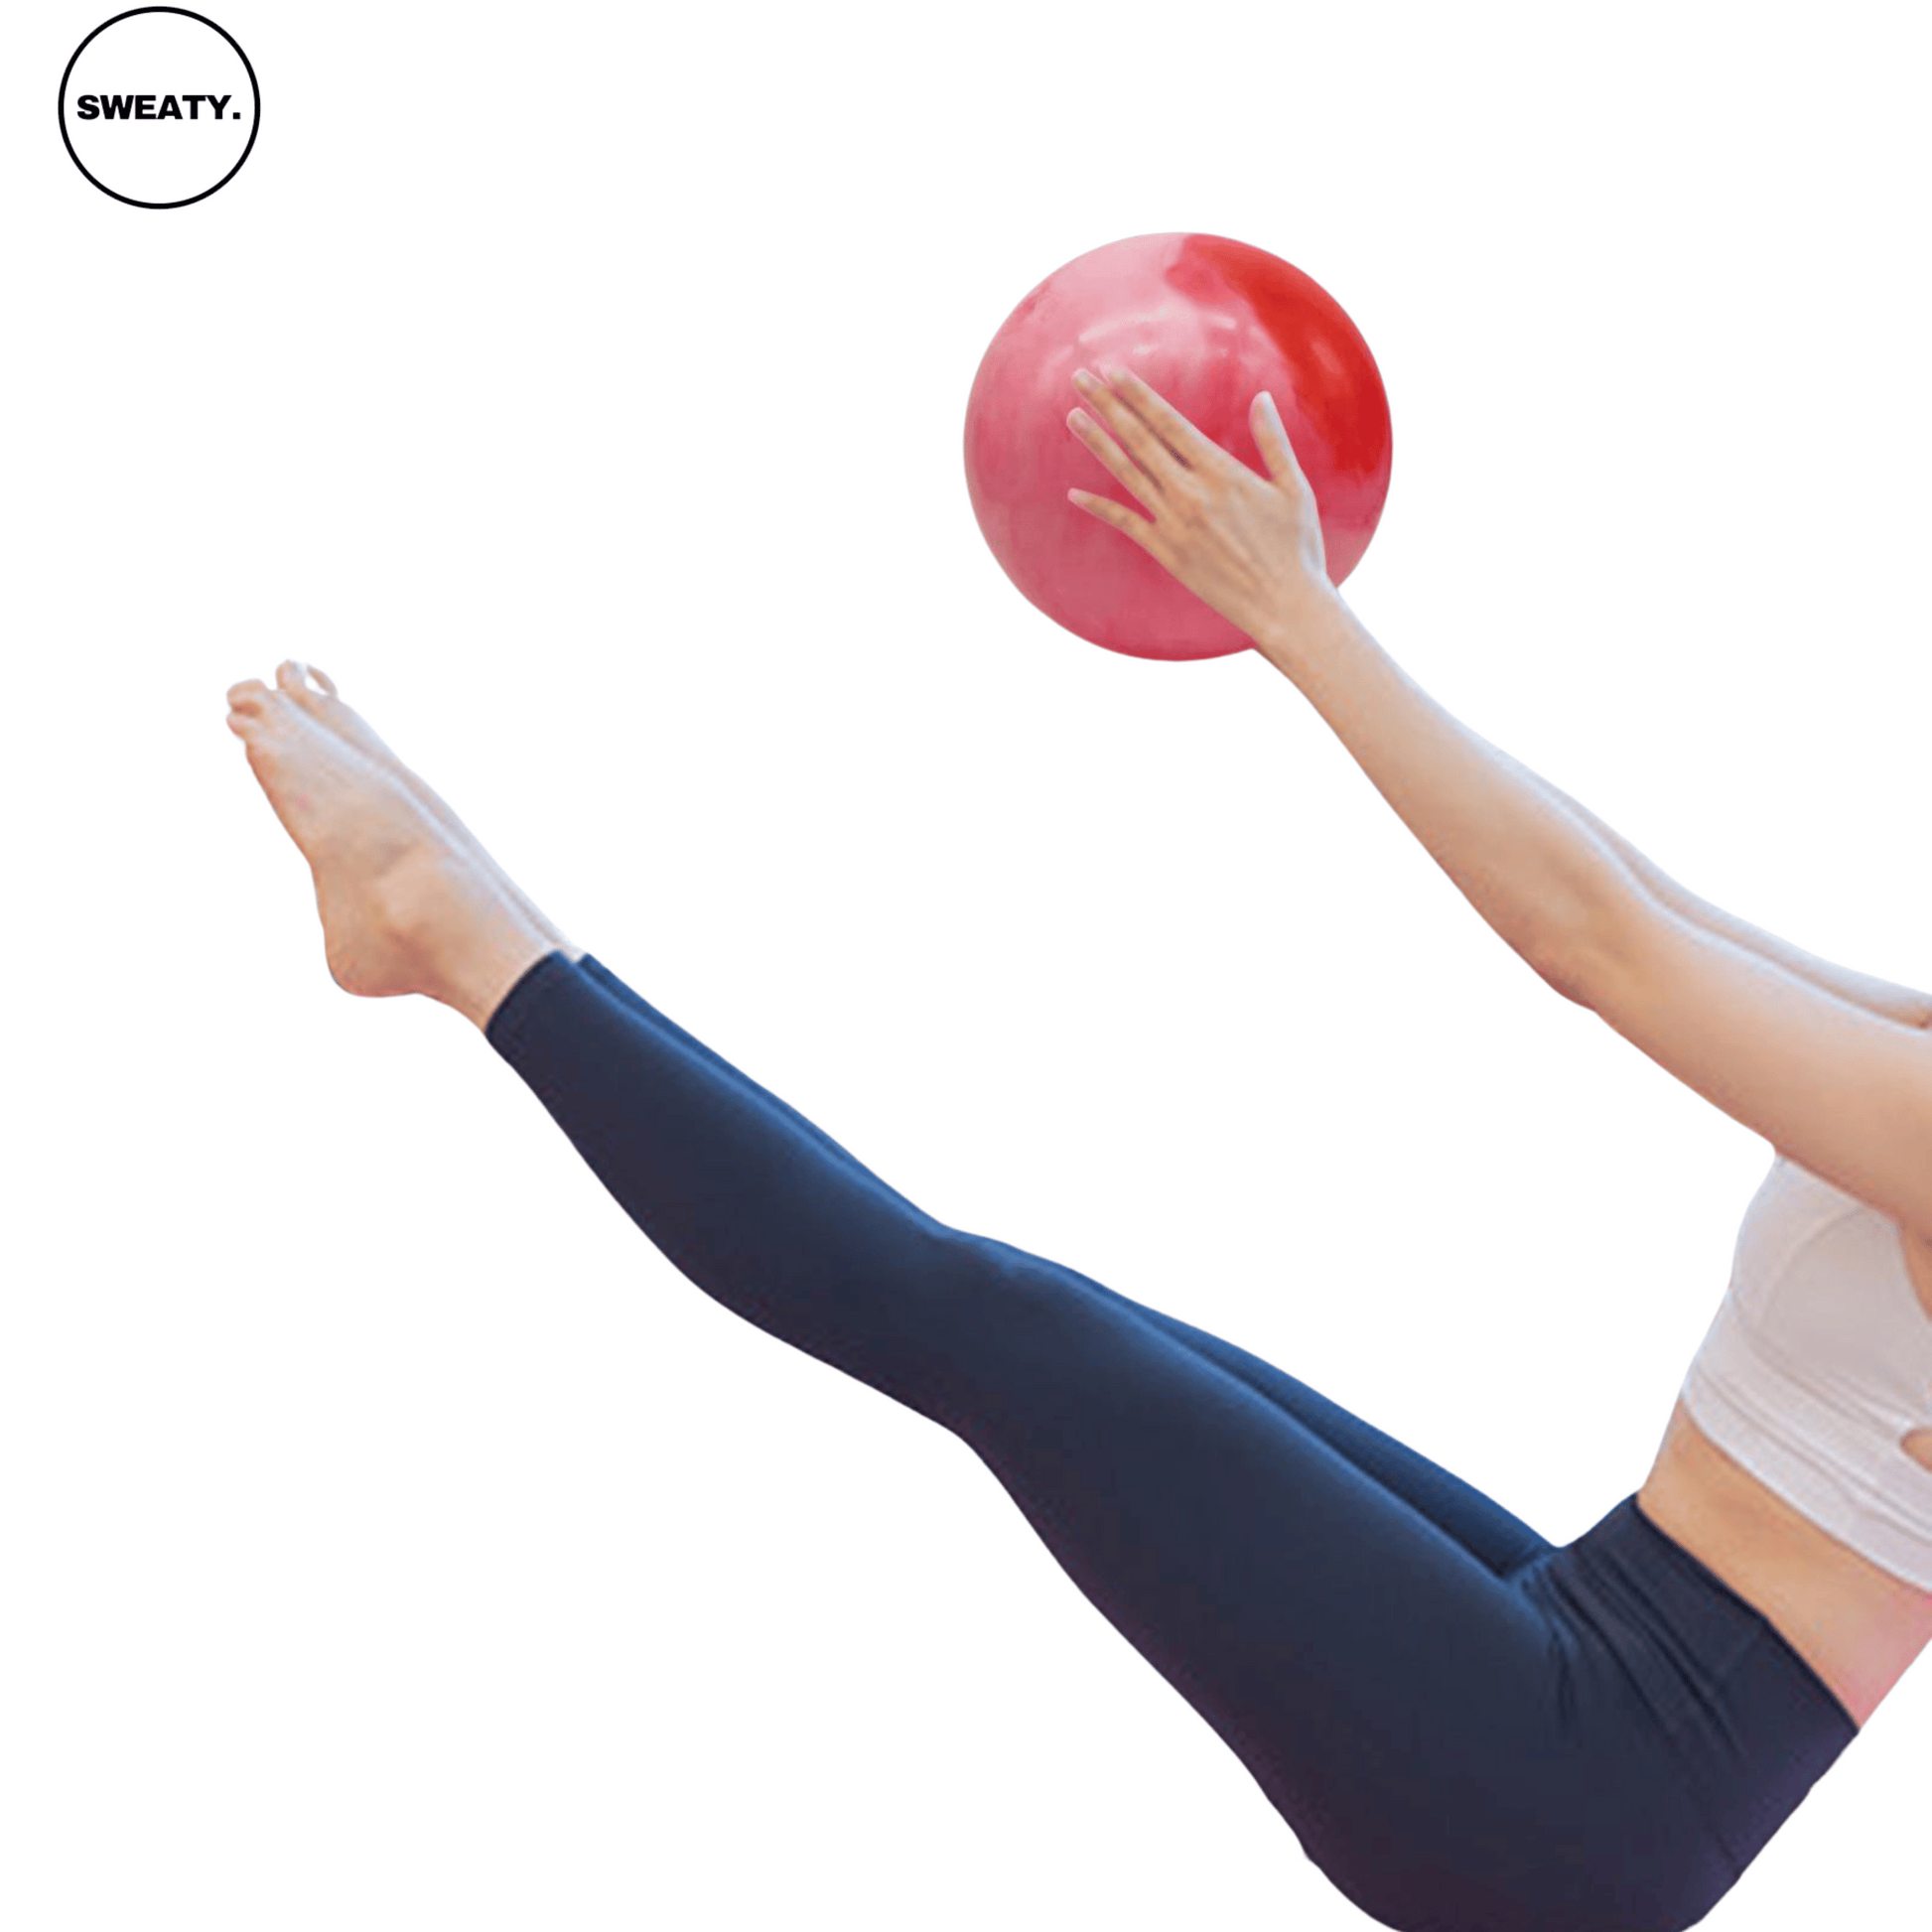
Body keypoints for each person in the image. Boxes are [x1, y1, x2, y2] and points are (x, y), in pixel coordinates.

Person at [225, 366, 1932, 1932]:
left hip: (1581, 1791)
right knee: (1024, 1310)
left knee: (992, 1331)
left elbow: (1594, 946)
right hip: (1600, 1622)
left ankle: (451, 936)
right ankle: (492, 913)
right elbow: (1648, 898)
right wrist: (1319, 613)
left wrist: (1291, 617)